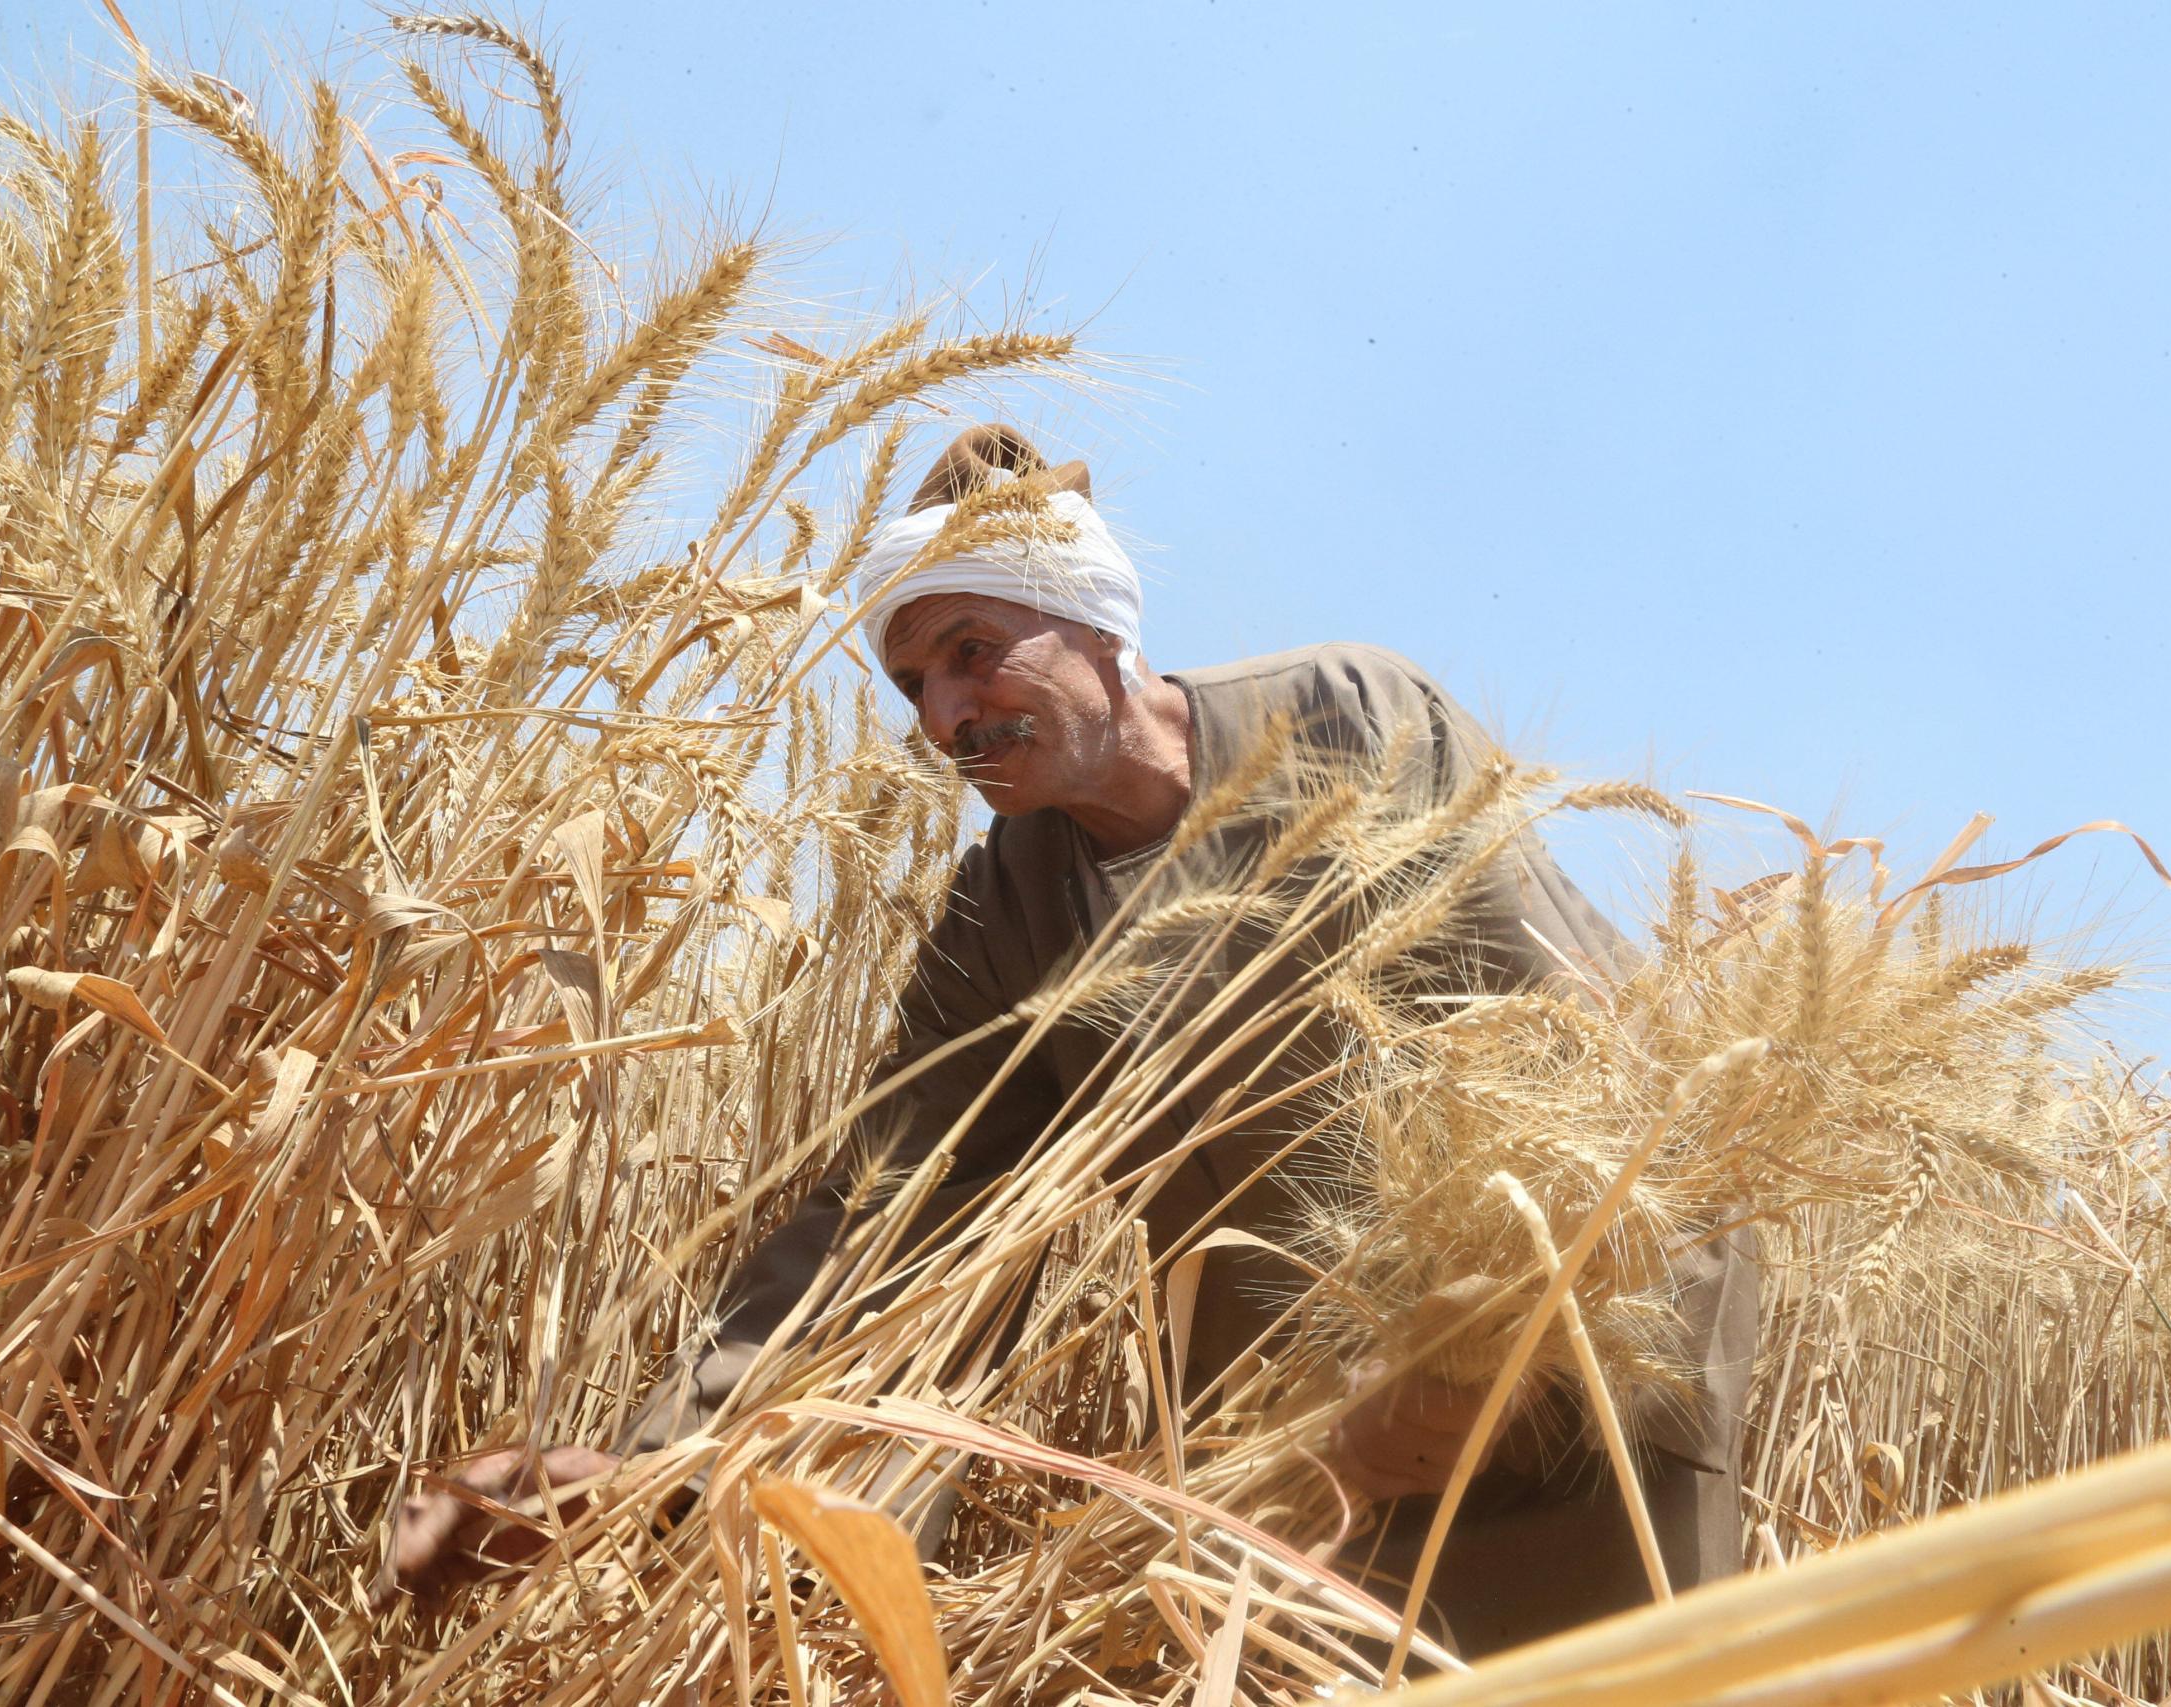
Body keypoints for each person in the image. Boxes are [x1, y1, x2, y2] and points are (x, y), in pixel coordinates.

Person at [384, 426, 1759, 1656]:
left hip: (1577, 1383)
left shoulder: (1344, 722)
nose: (943, 717)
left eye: (974, 652)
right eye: (913, 682)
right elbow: (887, 1215)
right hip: (1308, 1477)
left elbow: (1582, 1072)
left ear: (1095, 619)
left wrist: (1479, 1356)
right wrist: (655, 1473)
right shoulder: (1009, 908)